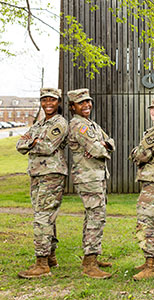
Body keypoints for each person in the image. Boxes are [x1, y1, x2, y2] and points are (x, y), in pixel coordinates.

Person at [16, 88, 68, 279]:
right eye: (44, 100)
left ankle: (42, 263)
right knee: (44, 216)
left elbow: (48, 146)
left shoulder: (60, 123)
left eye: (52, 100)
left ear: (58, 102)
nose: (48, 103)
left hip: (51, 174)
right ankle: (51, 257)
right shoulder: (39, 124)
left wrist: (33, 142)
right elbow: (19, 145)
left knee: (43, 217)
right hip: (37, 174)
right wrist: (33, 140)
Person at [67, 88, 115, 279]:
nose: (86, 105)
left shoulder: (90, 124)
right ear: (73, 107)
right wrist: (101, 145)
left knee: (93, 215)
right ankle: (90, 263)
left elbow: (110, 142)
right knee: (96, 216)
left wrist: (104, 144)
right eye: (81, 103)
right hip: (88, 177)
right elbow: (97, 150)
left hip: (96, 175)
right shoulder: (79, 125)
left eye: (88, 102)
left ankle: (91, 255)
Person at [129, 97, 154, 280]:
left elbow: (141, 155)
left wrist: (135, 152)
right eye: (152, 109)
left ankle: (151, 264)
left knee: (145, 219)